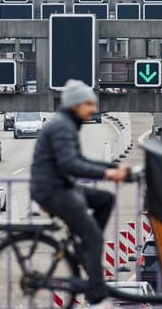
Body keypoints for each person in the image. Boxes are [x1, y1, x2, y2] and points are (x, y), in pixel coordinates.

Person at [30, 79, 129, 309]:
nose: (94, 110)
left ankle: (85, 250)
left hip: (60, 186)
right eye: (88, 105)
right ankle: (96, 294)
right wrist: (108, 175)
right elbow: (70, 165)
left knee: (106, 199)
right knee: (94, 238)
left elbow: (81, 161)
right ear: (75, 105)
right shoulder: (62, 126)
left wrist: (111, 169)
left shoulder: (68, 124)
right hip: (53, 190)